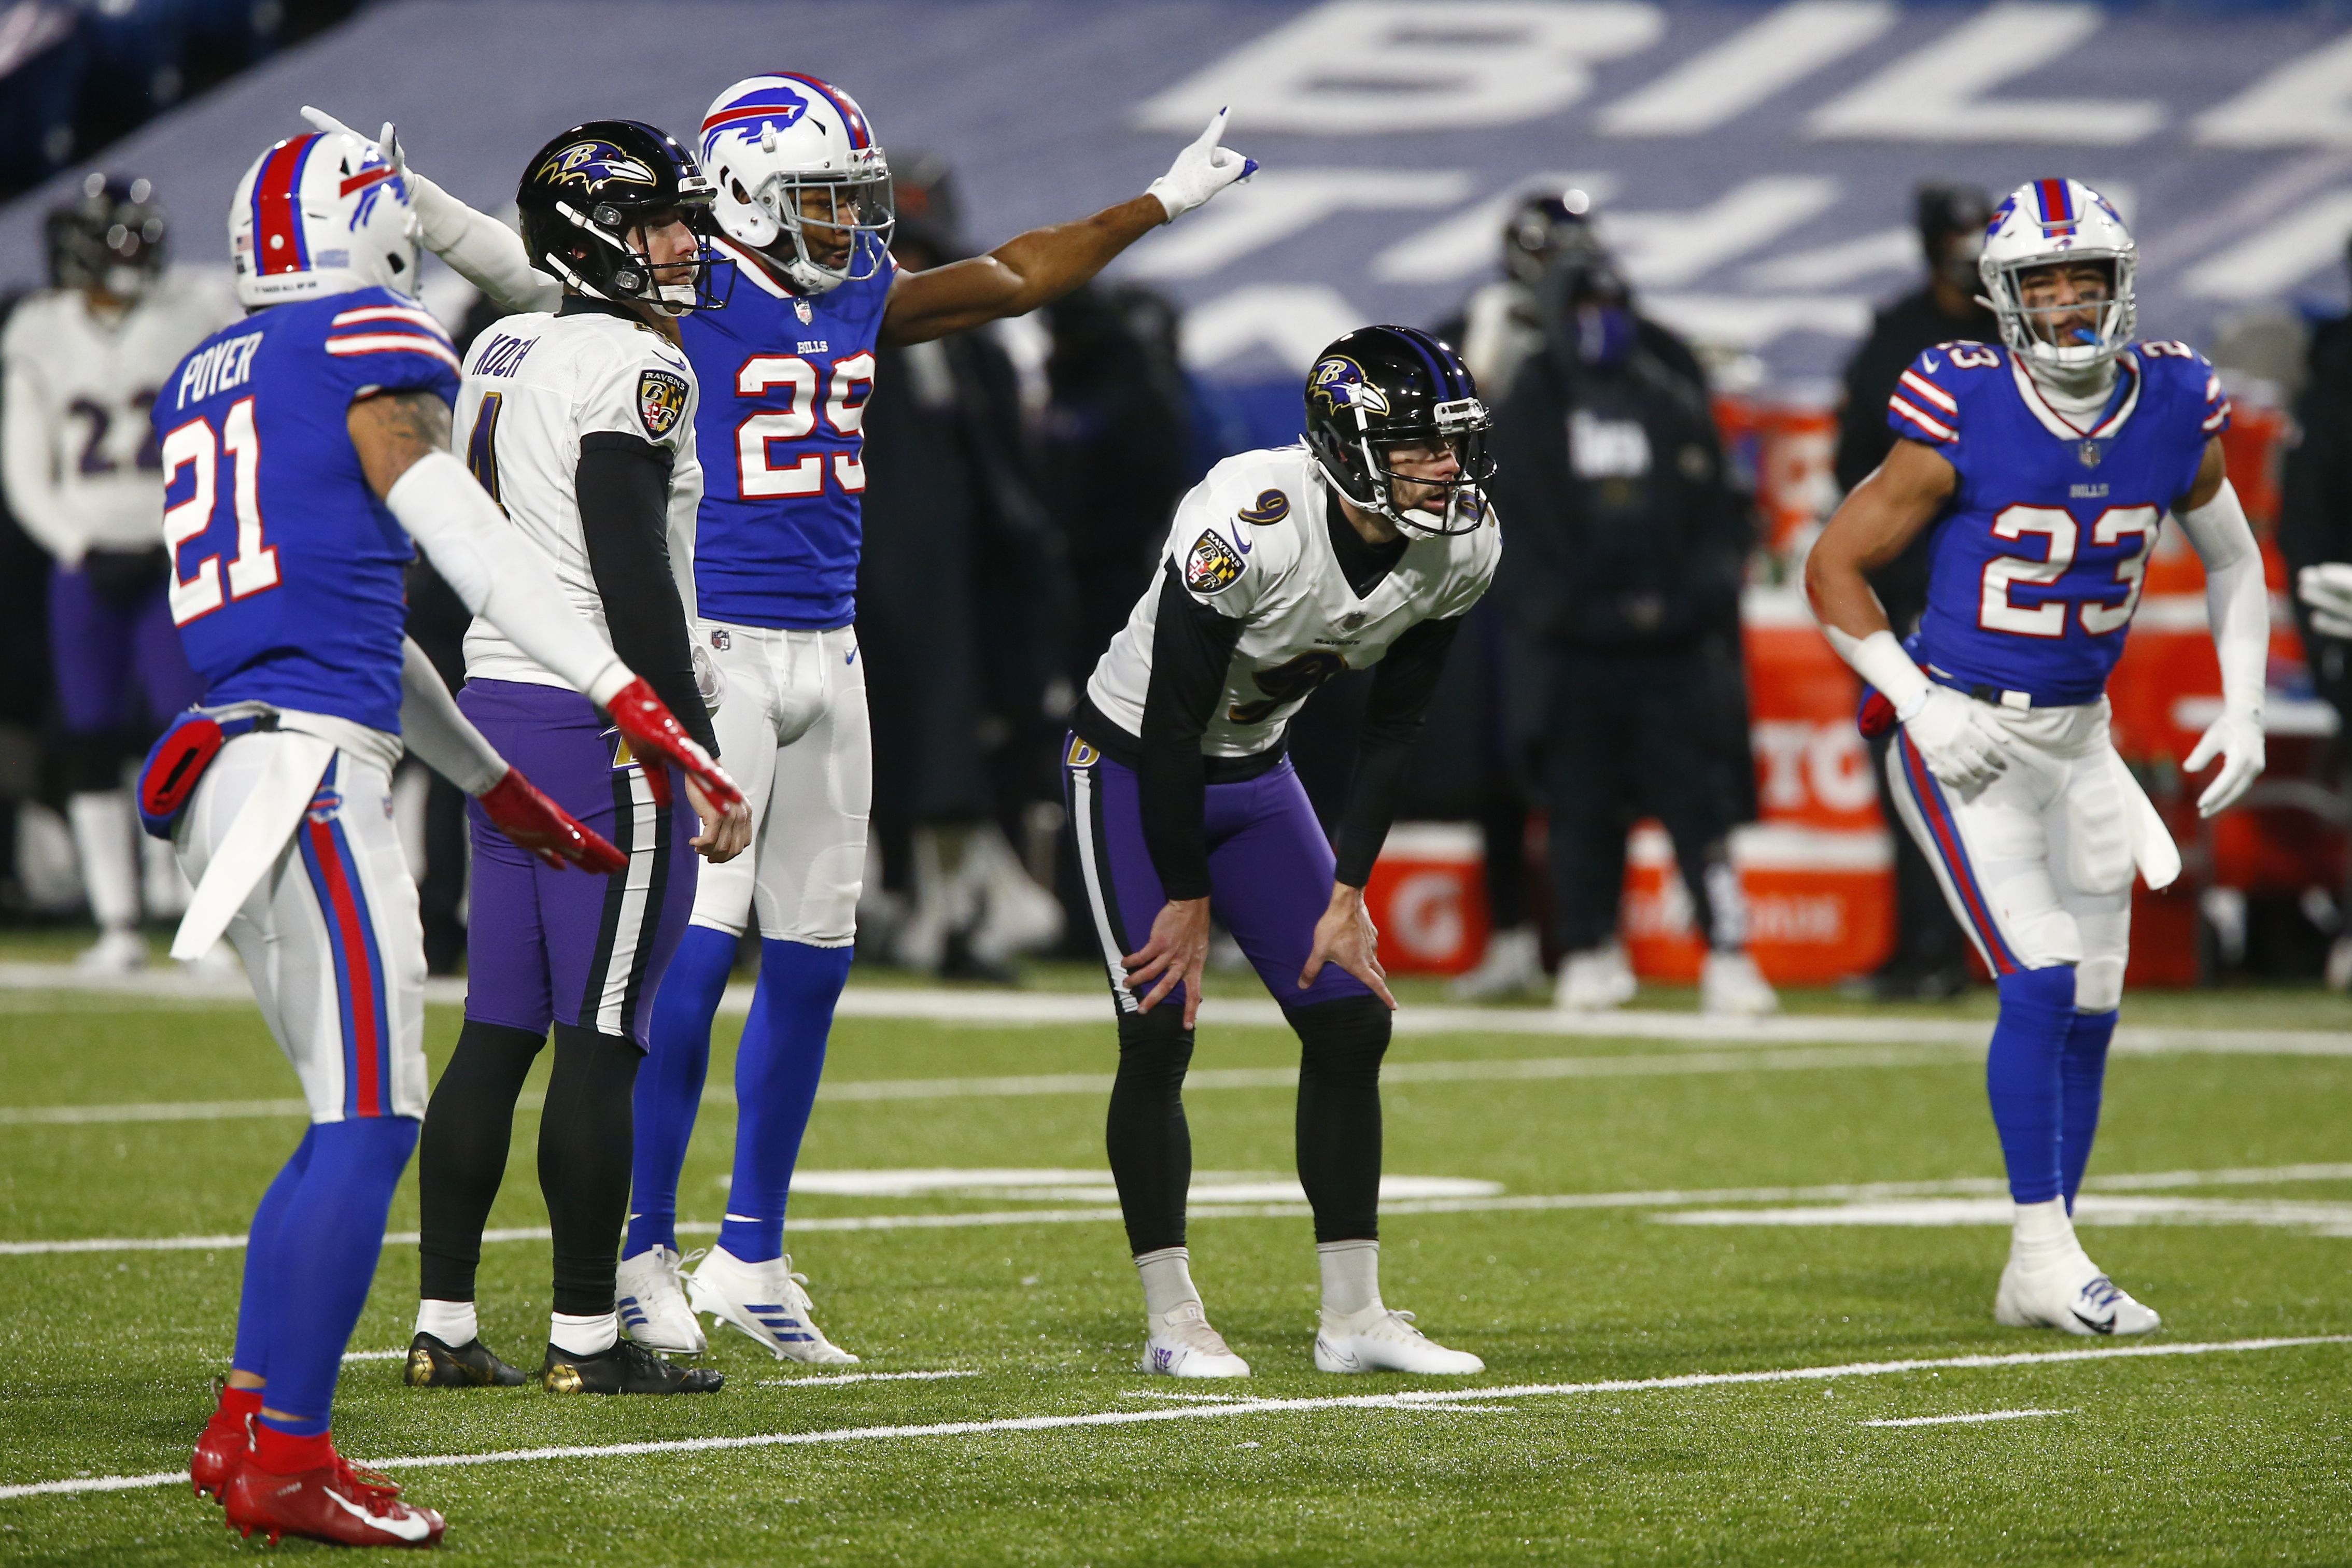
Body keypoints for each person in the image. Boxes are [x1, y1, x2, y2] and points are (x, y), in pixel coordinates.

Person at [306, 81, 1257, 1364]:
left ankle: (750, 1247)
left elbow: (1020, 275)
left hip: (830, 649)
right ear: (744, 192)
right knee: (687, 964)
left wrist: (1160, 202)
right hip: (717, 654)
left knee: (812, 955)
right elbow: (523, 259)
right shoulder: (675, 300)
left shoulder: (847, 291)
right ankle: (637, 1252)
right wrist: (420, 204)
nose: (846, 225)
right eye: (819, 198)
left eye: (848, 200)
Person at [164, 124, 736, 1547]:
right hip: (321, 770)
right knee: (380, 1116)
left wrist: (483, 779)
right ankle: (299, 1447)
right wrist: (636, 699)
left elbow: (373, 619)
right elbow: (467, 537)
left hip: (259, 747)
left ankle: (266, 1411)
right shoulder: (371, 341)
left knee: (391, 1093)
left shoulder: (220, 368)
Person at [1805, 179, 2266, 1335]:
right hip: (1966, 734)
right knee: (2043, 973)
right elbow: (1831, 565)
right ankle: (2043, 1249)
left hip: (2081, 738)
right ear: (2002, 300)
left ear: (2120, 287)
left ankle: (2042, 1260)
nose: (2066, 306)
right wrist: (1914, 701)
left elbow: (2235, 560)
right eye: (2042, 284)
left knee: (2096, 1000)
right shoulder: (1963, 402)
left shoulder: (2170, 395)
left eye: (2085, 281)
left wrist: (2243, 704)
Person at [1067, 325, 1495, 1378]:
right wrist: (1185, 891)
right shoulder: (1248, 517)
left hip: (1257, 773)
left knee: (1349, 1020)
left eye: (1450, 443)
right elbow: (1170, 723)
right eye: (1416, 446)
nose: (1445, 468)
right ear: (1348, 446)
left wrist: (1347, 889)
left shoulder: (1462, 545)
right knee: (1158, 1028)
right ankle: (1173, 1317)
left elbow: (1394, 727)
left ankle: (1352, 1318)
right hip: (1128, 767)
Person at [400, 119, 751, 1399]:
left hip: (498, 708)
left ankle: (443, 1324)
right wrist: (696, 744)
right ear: (598, 237)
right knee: (603, 1038)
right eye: (660, 220)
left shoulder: (506, 339)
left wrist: (431, 204)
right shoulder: (633, 367)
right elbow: (628, 571)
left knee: (496, 1035)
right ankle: (588, 1339)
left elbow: (518, 268)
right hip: (598, 719)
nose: (685, 241)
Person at [1486, 204, 1773, 1016]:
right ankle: (1587, 948)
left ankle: (1727, 949)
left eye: (1611, 312)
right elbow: (1515, 528)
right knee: (1578, 812)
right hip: (1575, 651)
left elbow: (1721, 516)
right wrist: (1567, 611)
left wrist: (1687, 603)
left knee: (1698, 809)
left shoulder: (1665, 395)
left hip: (1672, 649)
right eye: (1583, 311)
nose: (1598, 328)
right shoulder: (1530, 405)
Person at [2, 172, 236, 971]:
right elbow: (26, 465)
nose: (131, 252)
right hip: (90, 560)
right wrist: (73, 543)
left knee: (190, 732)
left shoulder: (197, 310)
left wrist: (194, 531)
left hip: (176, 554)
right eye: (117, 238)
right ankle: (118, 924)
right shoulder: (40, 328)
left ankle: (202, 922)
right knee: (92, 738)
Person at [1832, 183, 1999, 1001]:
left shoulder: (2018, 331)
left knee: (2002, 780)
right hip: (1910, 592)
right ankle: (1920, 949)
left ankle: (1993, 949)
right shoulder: (1895, 339)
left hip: (2005, 592)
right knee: (1909, 772)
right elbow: (1851, 467)